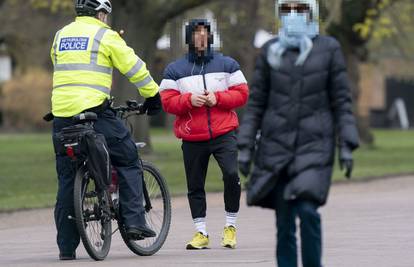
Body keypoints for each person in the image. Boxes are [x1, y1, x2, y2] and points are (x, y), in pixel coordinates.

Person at [237, 0, 359, 266]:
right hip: (276, 146)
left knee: (306, 210)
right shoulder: (270, 51)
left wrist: (346, 144)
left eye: (300, 9)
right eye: (287, 9)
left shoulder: (329, 49)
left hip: (315, 145)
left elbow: (341, 101)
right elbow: (256, 103)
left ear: (312, 12)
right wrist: (245, 146)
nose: (293, 15)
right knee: (284, 220)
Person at [50, 0, 162, 260]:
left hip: (62, 117)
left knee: (67, 178)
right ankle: (134, 222)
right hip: (94, 113)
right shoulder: (104, 35)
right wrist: (153, 96)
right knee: (128, 157)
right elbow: (134, 67)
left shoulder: (61, 35)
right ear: (101, 13)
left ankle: (66, 247)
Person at [160, 19, 249, 250]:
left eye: (204, 33)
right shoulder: (174, 69)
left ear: (210, 37)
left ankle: (230, 227)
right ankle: (201, 232)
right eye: (196, 33)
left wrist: (217, 98)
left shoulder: (228, 64)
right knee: (195, 185)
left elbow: (242, 94)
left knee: (231, 176)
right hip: (192, 136)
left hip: (224, 132)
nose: (201, 37)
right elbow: (167, 102)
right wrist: (189, 100)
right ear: (189, 38)